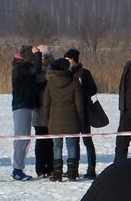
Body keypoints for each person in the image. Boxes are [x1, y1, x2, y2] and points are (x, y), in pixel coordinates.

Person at [43, 58, 84, 182]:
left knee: (57, 146)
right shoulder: (74, 82)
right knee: (71, 145)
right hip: (71, 119)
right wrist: (81, 119)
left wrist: (48, 118)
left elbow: (46, 104)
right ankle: (72, 173)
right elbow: (79, 104)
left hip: (55, 120)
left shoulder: (50, 84)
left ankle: (57, 173)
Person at [65, 49, 99, 179]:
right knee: (73, 141)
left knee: (87, 140)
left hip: (84, 111)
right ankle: (73, 168)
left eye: (68, 60)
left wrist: (80, 94)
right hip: (71, 112)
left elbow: (93, 89)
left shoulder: (84, 73)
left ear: (74, 60)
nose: (66, 62)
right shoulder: (66, 73)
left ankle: (91, 168)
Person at [11, 44, 43, 181]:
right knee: (21, 137)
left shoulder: (23, 67)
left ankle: (19, 168)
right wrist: (38, 54)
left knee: (25, 138)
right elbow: (36, 70)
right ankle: (17, 170)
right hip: (21, 105)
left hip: (27, 105)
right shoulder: (20, 67)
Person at [32, 45, 54, 179]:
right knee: (40, 140)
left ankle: (51, 167)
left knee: (50, 141)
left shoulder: (54, 70)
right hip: (38, 109)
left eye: (46, 57)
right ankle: (40, 169)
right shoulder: (36, 71)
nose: (44, 60)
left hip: (52, 110)